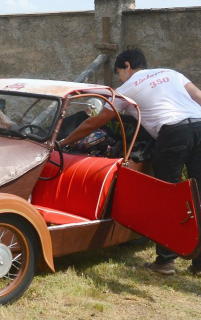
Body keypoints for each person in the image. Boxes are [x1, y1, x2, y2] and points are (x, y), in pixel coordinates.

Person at [59, 47, 201, 276]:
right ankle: (199, 265)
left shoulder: (126, 89)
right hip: (199, 126)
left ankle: (165, 261)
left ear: (126, 67)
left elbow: (95, 122)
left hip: (172, 132)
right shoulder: (172, 73)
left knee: (168, 196)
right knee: (198, 195)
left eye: (119, 73)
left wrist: (64, 142)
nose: (119, 78)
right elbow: (199, 98)